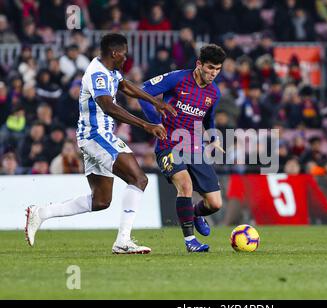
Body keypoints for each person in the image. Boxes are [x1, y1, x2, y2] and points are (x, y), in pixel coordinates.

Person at [25, 33, 177, 254]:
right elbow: (108, 106)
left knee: (101, 201)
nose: (126, 58)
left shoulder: (110, 70)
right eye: (124, 54)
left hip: (93, 137)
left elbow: (124, 86)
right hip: (97, 136)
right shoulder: (97, 74)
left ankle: (41, 213)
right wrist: (145, 125)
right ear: (114, 53)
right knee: (139, 178)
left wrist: (155, 101)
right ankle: (123, 241)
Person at [139, 44, 226, 252]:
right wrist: (154, 121)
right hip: (168, 144)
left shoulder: (214, 93)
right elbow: (143, 91)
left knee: (215, 204)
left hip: (194, 148)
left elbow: (209, 118)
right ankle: (190, 242)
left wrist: (214, 137)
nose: (213, 73)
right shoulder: (177, 78)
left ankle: (194, 214)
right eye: (210, 68)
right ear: (199, 64)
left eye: (218, 69)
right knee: (185, 185)